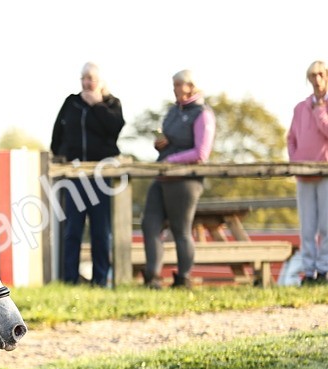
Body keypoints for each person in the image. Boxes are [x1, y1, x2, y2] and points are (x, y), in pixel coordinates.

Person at [49, 62, 125, 287]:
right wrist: (61, 154)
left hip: (101, 175)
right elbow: (57, 133)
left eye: (91, 78)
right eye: (83, 78)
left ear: (100, 81)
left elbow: (115, 128)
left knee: (101, 231)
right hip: (75, 175)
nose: (87, 82)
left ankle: (100, 280)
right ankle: (70, 280)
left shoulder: (111, 104)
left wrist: (97, 105)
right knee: (73, 229)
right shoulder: (71, 102)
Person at [141, 69, 216, 289]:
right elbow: (167, 139)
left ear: (190, 86)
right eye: (173, 85)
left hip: (185, 180)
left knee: (180, 229)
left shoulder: (203, 114)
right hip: (162, 176)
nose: (174, 89)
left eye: (178, 85)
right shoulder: (173, 111)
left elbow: (201, 153)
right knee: (149, 224)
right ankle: (152, 277)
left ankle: (184, 278)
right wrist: (160, 143)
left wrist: (172, 160)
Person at [287, 61, 328, 283]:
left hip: (325, 173)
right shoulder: (300, 108)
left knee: (326, 225)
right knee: (307, 227)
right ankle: (309, 272)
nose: (317, 80)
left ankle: (324, 269)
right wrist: (295, 161)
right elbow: (291, 138)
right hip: (304, 174)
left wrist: (320, 111)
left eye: (320, 74)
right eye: (312, 75)